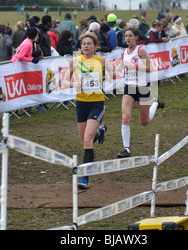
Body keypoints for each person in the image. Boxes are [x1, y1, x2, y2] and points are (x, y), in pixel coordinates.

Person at [63, 32, 113, 189]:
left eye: (89, 43)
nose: (86, 46)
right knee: (85, 142)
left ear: (95, 46)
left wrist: (112, 74)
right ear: (80, 46)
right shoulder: (75, 61)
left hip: (97, 103)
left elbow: (114, 72)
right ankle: (100, 131)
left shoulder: (101, 60)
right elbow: (64, 81)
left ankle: (85, 179)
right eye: (83, 43)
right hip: (81, 104)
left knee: (87, 140)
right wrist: (73, 85)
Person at [116, 27, 165, 158]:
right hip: (129, 88)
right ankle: (126, 149)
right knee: (126, 118)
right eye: (126, 36)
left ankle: (155, 103)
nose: (127, 38)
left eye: (130, 36)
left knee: (144, 122)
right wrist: (114, 71)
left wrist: (135, 66)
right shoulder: (124, 53)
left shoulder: (141, 50)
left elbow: (150, 68)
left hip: (142, 88)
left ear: (136, 37)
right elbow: (122, 65)